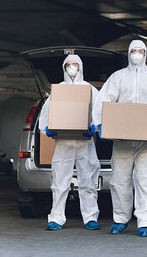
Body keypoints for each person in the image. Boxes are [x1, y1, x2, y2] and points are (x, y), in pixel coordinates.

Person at [92, 40, 147, 237]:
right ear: (128, 53)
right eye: (134, 51)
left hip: (146, 141)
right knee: (119, 180)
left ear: (146, 53)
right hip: (122, 140)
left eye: (140, 51)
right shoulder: (118, 77)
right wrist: (100, 124)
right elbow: (103, 101)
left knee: (144, 180)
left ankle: (145, 222)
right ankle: (120, 219)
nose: (137, 54)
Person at [39, 54, 100, 231]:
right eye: (68, 65)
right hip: (63, 142)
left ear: (80, 67)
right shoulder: (58, 90)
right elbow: (45, 114)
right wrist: (46, 129)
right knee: (59, 181)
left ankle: (90, 217)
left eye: (75, 64)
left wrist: (94, 127)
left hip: (84, 142)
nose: (72, 68)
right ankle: (56, 218)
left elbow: (99, 111)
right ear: (64, 68)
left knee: (88, 179)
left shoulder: (89, 89)